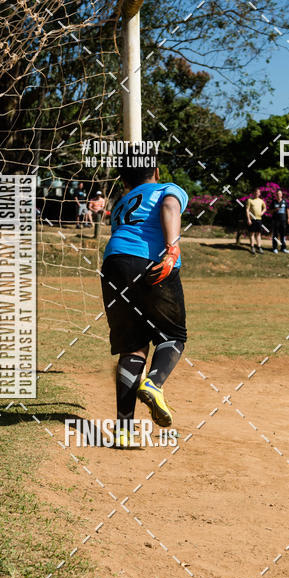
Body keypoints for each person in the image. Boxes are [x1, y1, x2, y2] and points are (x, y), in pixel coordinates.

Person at [100, 164, 188, 448]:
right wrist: (171, 248)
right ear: (158, 172)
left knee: (133, 348)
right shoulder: (167, 189)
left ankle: (124, 430)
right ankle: (153, 383)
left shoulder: (121, 204)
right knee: (172, 336)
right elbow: (170, 208)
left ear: (124, 179)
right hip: (150, 259)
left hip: (114, 264)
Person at [246, 187, 266, 254]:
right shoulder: (249, 200)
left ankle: (259, 247)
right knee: (252, 233)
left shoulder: (261, 201)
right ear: (254, 193)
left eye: (258, 192)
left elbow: (265, 208)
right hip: (252, 220)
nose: (257, 193)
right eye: (256, 192)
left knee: (258, 234)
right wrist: (248, 219)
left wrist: (262, 212)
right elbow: (247, 210)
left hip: (259, 219)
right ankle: (252, 247)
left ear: (259, 193)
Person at [270, 188, 289, 253]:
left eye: (280, 193)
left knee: (283, 235)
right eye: (277, 194)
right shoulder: (273, 202)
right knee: (275, 234)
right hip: (275, 221)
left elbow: (287, 210)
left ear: (281, 195)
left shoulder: (284, 201)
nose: (279, 195)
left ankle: (283, 248)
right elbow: (270, 211)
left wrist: (288, 218)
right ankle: (275, 248)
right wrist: (275, 210)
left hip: (283, 220)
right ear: (276, 195)